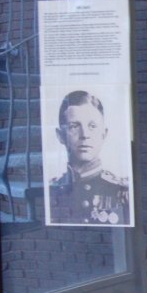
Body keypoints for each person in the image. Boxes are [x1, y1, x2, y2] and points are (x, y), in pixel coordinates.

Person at [48, 90, 130, 225]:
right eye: (74, 126)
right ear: (60, 135)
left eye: (92, 126)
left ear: (104, 134)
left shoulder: (122, 190)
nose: (85, 134)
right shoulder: (51, 190)